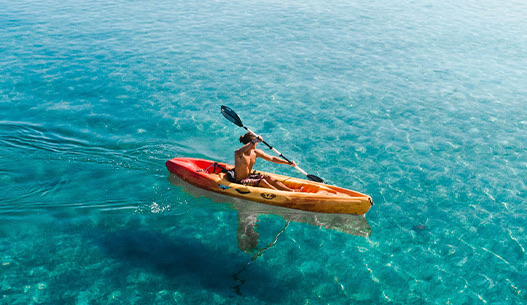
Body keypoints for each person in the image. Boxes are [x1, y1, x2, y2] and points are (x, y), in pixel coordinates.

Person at [229, 132, 297, 191]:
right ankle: (280, 194)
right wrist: (254, 141)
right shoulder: (240, 154)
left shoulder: (256, 152)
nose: (256, 144)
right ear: (250, 143)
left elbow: (272, 158)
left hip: (249, 177)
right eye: (255, 143)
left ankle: (291, 191)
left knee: (268, 177)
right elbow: (238, 151)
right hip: (240, 181)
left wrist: (288, 163)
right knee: (262, 181)